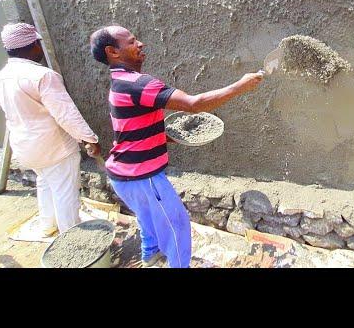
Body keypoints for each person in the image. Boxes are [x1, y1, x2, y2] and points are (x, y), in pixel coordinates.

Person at [89, 25, 263, 268]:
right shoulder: (139, 84)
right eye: (131, 42)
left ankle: (149, 254)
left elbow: (132, 124)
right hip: (141, 176)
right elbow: (194, 104)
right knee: (177, 225)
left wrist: (165, 135)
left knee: (147, 217)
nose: (140, 44)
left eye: (137, 39)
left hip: (122, 174)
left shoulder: (119, 82)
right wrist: (241, 86)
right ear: (113, 52)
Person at [0, 23, 101, 237]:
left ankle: (47, 224)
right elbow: (65, 114)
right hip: (53, 147)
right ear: (31, 45)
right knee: (65, 192)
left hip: (25, 147)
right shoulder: (41, 76)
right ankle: (73, 241)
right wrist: (89, 138)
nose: (40, 49)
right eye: (38, 44)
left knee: (46, 182)